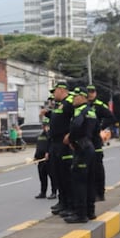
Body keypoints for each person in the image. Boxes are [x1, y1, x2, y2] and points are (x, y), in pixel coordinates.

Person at [62, 86, 98, 223]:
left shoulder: (80, 111)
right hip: (90, 147)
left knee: (79, 183)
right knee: (89, 182)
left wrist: (70, 138)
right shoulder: (92, 112)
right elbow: (96, 131)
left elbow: (76, 126)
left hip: (82, 149)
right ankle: (90, 211)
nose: (72, 100)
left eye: (75, 97)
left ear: (82, 98)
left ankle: (80, 214)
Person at [42, 81, 75, 217]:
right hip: (55, 144)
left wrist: (71, 135)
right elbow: (59, 119)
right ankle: (62, 202)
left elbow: (75, 119)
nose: (53, 94)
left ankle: (69, 204)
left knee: (66, 175)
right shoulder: (60, 104)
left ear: (61, 90)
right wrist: (49, 114)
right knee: (58, 175)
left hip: (64, 144)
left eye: (54, 91)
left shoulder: (70, 102)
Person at [86, 84, 116, 202]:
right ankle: (91, 193)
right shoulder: (83, 105)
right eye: (89, 92)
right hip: (85, 140)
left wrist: (100, 127)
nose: (90, 94)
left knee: (97, 168)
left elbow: (111, 117)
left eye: (92, 92)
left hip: (96, 141)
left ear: (96, 93)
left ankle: (100, 193)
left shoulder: (99, 106)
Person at [33, 120, 54, 199]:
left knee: (52, 177)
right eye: (44, 125)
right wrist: (35, 157)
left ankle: (53, 192)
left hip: (49, 160)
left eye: (47, 125)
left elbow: (52, 145)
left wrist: (48, 152)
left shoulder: (51, 135)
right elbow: (38, 147)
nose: (45, 127)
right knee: (42, 177)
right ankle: (43, 192)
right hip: (41, 159)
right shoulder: (40, 135)